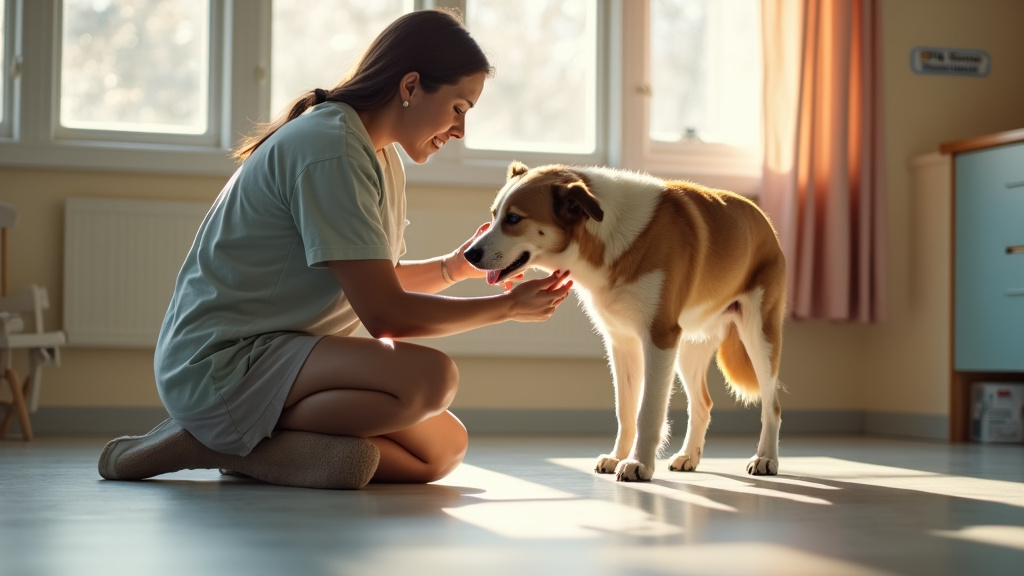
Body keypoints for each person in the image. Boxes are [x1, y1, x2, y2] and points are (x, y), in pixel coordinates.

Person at [98, 8, 572, 489]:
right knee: (432, 379)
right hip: (222, 364)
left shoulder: (379, 154)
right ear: (410, 87)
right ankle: (212, 435)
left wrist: (454, 267)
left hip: (282, 353)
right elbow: (387, 315)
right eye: (459, 108)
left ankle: (253, 451)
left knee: (443, 450)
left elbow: (368, 279)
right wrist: (507, 307)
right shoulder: (331, 147)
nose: (460, 130)